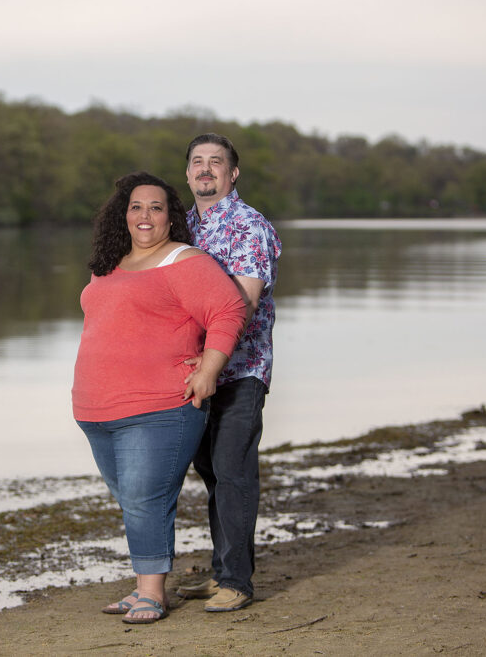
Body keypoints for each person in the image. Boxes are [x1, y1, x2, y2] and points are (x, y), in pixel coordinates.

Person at [72, 171, 246, 624]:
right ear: (122, 215)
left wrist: (209, 368)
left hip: (159, 406)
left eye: (156, 207)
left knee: (146, 496)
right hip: (97, 408)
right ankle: (145, 586)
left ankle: (151, 592)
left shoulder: (184, 261)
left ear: (171, 218)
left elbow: (229, 309)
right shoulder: (107, 264)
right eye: (136, 207)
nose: (144, 215)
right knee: (132, 498)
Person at [176, 133, 282, 612]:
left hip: (240, 370)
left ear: (232, 173)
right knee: (210, 471)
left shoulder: (247, 226)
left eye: (216, 162)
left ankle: (237, 581)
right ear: (187, 173)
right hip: (192, 372)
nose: (205, 169)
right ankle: (221, 570)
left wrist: (213, 359)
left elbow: (242, 305)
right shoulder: (183, 230)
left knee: (233, 470)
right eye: (198, 162)